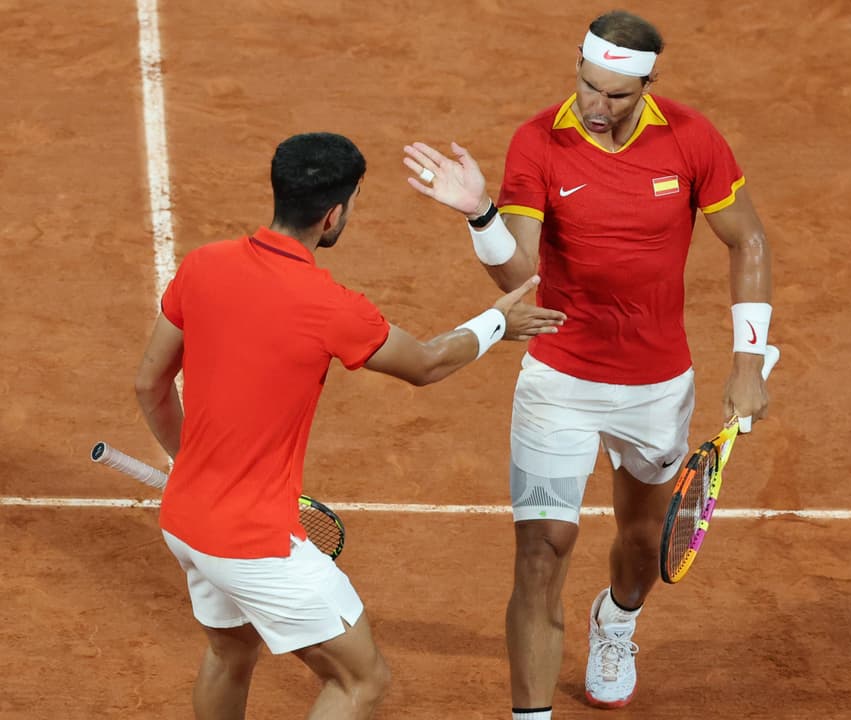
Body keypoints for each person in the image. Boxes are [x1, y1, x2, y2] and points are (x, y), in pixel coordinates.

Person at [402, 9, 774, 717]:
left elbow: (748, 240)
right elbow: (517, 274)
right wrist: (480, 213)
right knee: (542, 549)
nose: (595, 106)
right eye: (587, 85)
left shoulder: (692, 140)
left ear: (648, 86)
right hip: (560, 381)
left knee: (641, 545)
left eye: (616, 96)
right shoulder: (540, 142)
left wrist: (749, 362)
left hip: (656, 387)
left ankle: (618, 622)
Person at [134, 131, 566, 720]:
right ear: (334, 213)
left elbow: (149, 385)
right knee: (362, 680)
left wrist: (197, 468)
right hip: (253, 543)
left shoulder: (203, 265)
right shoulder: (331, 305)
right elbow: (428, 363)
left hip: (185, 521)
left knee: (230, 650)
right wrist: (497, 321)